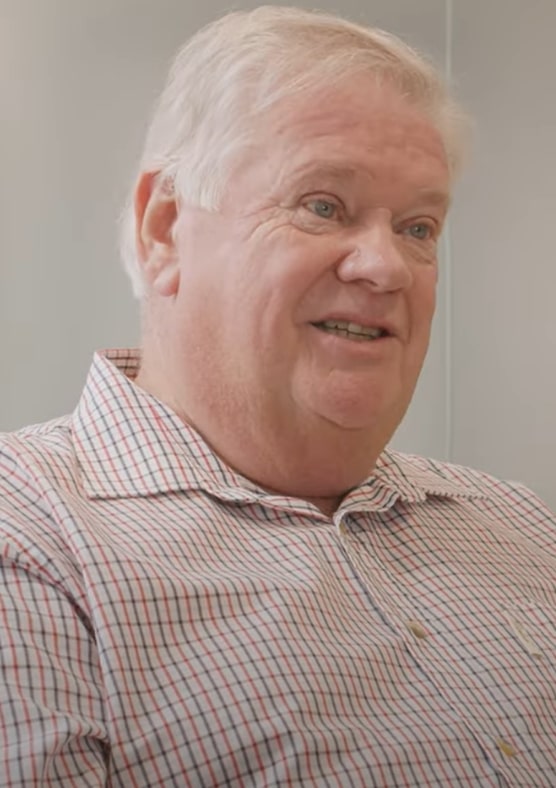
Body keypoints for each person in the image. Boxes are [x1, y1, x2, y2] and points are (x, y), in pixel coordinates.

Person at [1, 5, 554, 786]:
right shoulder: (29, 538)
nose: (387, 267)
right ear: (165, 229)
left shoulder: (520, 523)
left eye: (419, 228)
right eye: (323, 205)